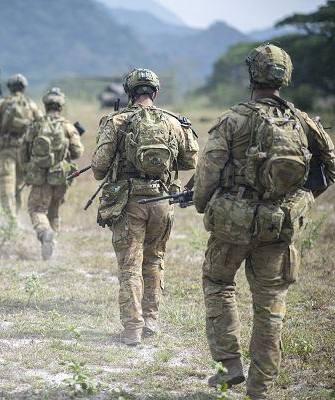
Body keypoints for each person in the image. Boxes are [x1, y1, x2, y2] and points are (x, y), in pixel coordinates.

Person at [193, 44, 335, 399]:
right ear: (284, 76)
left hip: (232, 226)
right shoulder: (302, 120)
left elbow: (208, 173)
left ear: (252, 74)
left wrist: (199, 202)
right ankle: (261, 390)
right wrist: (297, 202)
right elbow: (330, 165)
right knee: (270, 308)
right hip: (279, 228)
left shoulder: (233, 119)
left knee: (218, 283)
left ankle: (229, 366)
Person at [91, 68, 198, 346]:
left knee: (129, 266)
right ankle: (151, 321)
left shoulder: (116, 121)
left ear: (128, 93)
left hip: (129, 204)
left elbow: (99, 169)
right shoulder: (174, 122)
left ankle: (132, 330)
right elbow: (190, 162)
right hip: (162, 203)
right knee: (154, 260)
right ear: (155, 93)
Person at [23, 88, 84, 260]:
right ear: (61, 106)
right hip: (60, 177)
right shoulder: (68, 127)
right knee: (54, 211)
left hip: (40, 176)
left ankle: (44, 233)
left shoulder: (36, 125)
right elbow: (78, 152)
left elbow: (25, 149)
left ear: (45, 105)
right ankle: (52, 245)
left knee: (36, 208)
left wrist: (27, 168)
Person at [0, 73, 42, 221]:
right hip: (24, 151)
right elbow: (41, 124)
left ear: (10, 88)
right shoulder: (31, 104)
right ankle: (15, 212)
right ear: (24, 87)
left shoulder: (2, 103)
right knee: (18, 185)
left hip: (6, 150)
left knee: (5, 184)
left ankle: (10, 219)